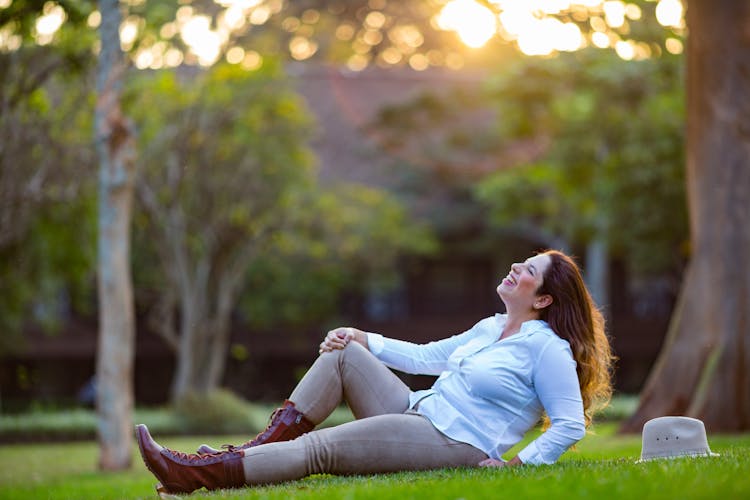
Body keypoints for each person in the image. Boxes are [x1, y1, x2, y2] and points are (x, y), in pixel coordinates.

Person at [136, 249, 615, 495]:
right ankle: (249, 454)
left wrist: (515, 467)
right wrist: (363, 338)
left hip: (455, 441)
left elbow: (570, 422)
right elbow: (428, 357)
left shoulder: (548, 350)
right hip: (417, 412)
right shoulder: (492, 327)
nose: (515, 266)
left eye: (528, 269)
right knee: (342, 354)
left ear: (544, 299)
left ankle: (196, 475)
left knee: (321, 449)